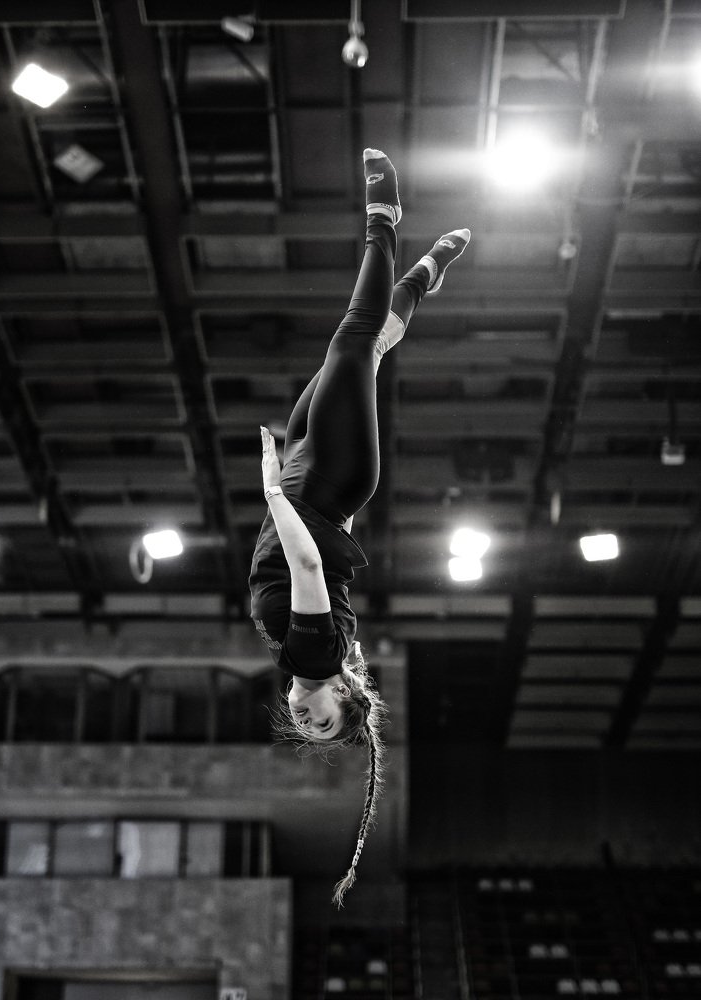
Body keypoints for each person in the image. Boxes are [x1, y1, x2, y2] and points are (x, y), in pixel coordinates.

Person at [249, 148, 470, 905]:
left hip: (320, 479)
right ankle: (384, 219)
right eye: (323, 719)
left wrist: (287, 488)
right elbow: (309, 569)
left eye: (302, 724)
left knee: (366, 348)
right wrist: (273, 492)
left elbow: (318, 573)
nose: (305, 715)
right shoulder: (314, 650)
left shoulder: (311, 653)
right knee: (353, 335)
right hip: (326, 479)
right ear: (344, 693)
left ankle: (427, 271)